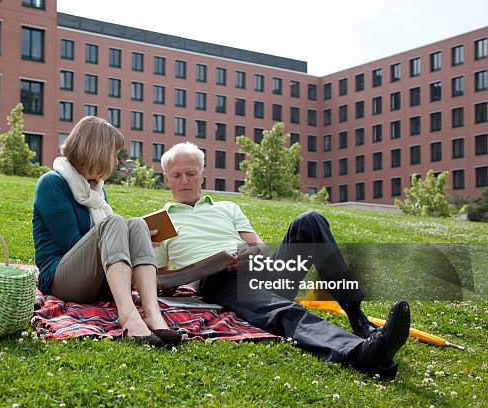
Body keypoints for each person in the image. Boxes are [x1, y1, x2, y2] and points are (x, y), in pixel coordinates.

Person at [153, 142, 411, 378]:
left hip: (262, 270)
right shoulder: (159, 220)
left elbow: (261, 248)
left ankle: (357, 318)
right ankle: (363, 353)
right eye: (177, 175)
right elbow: (160, 279)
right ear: (167, 178)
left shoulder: (227, 208)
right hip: (220, 280)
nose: (185, 180)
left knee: (309, 220)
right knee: (284, 313)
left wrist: (250, 255)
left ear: (202, 173)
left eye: (191, 173)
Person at [32, 116, 180, 347]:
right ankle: (128, 315)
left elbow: (105, 242)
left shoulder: (96, 190)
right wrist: (116, 239)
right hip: (60, 278)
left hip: (96, 281)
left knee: (138, 225)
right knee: (114, 222)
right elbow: (72, 245)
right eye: (114, 153)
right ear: (98, 151)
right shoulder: (52, 183)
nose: (115, 160)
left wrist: (138, 242)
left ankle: (152, 312)